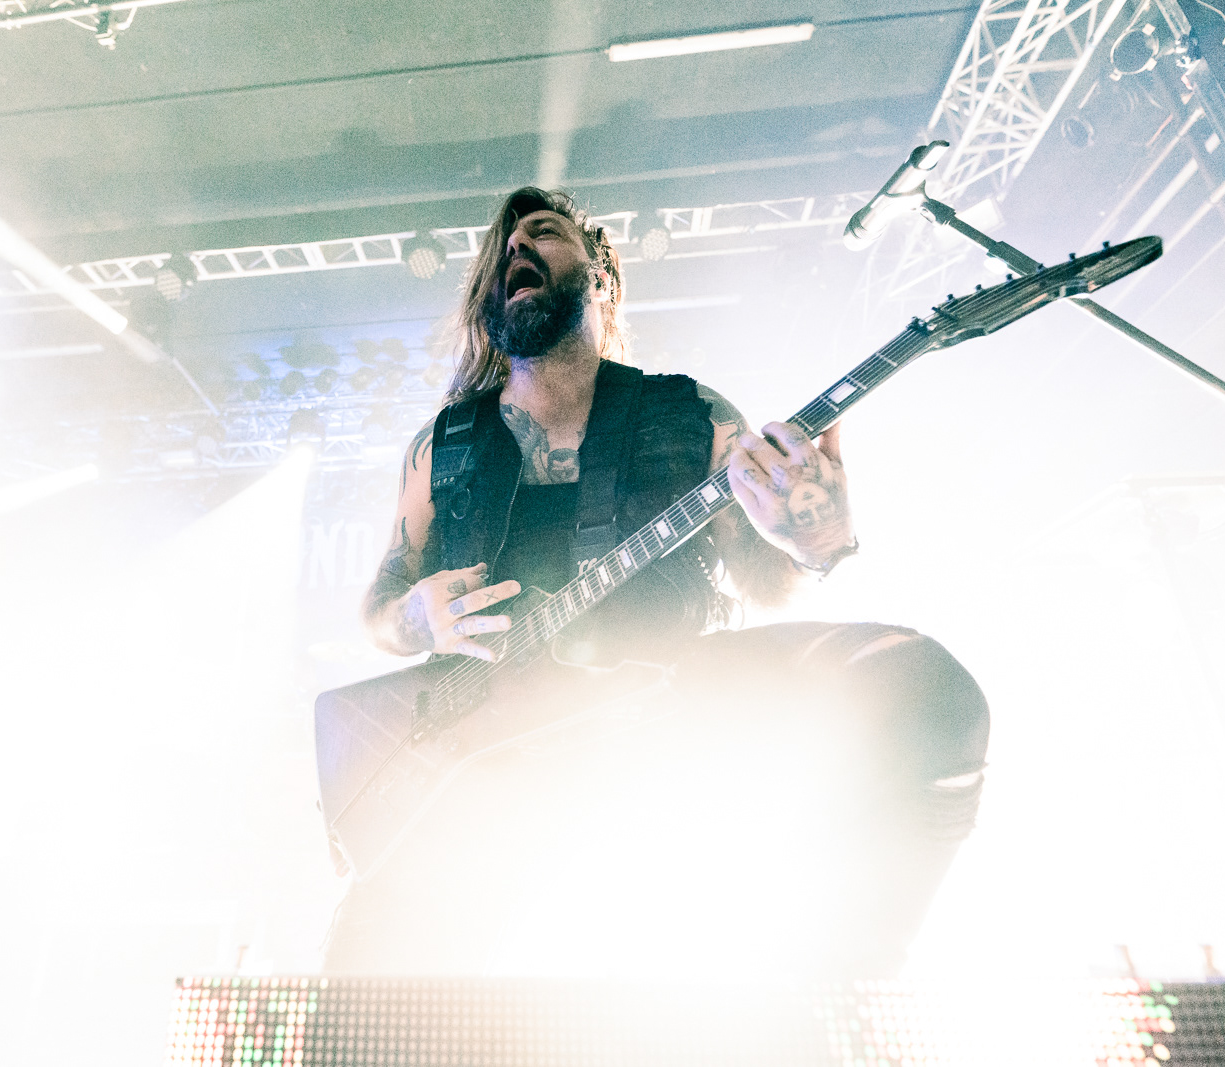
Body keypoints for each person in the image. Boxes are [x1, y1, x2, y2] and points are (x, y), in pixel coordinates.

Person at [320, 187, 989, 978]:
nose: (515, 250)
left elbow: (768, 586)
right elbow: (379, 607)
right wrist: (416, 617)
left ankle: (843, 991)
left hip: (660, 729)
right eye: (503, 248)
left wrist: (815, 539)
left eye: (542, 233)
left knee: (924, 690)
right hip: (475, 762)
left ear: (602, 275)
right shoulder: (444, 444)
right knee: (362, 990)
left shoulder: (694, 414)